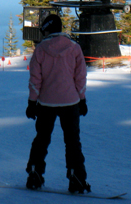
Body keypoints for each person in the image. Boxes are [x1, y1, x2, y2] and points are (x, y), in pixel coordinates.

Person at [25, 14, 91, 194]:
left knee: (42, 139)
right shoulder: (74, 48)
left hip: (46, 102)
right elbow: (80, 77)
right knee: (72, 142)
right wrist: (82, 99)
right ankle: (77, 178)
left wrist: (32, 102)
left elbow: (35, 80)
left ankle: (34, 173)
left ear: (47, 29)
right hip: (71, 102)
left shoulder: (40, 49)